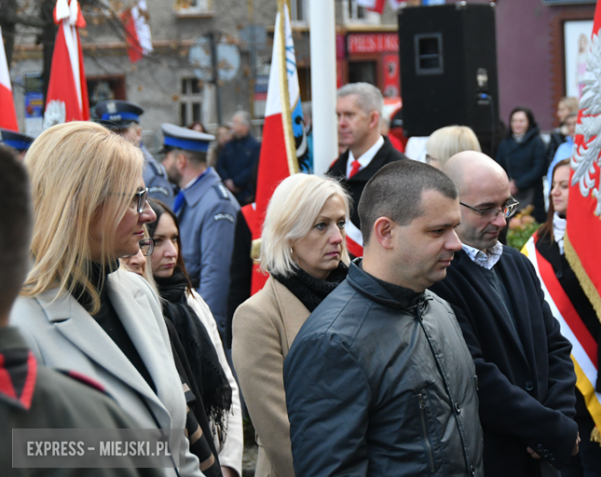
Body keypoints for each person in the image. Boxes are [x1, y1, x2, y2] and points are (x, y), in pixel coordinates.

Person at [10, 121, 205, 477]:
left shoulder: (139, 292)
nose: (148, 214)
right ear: (80, 206)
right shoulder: (19, 328)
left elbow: (177, 452)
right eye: (135, 199)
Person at [284, 160, 484, 477]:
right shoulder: (331, 343)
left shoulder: (439, 308)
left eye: (454, 228)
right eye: (437, 230)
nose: (456, 244)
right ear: (386, 232)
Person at [431, 151, 578, 477]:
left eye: (505, 206)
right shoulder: (440, 275)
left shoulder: (516, 263)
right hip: (492, 457)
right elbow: (473, 371)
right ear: (451, 205)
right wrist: (546, 427)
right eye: (486, 210)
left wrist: (560, 417)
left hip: (541, 455)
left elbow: (554, 345)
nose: (501, 220)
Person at [233, 174, 351, 477]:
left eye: (341, 223)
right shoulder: (257, 316)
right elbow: (282, 436)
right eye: (321, 225)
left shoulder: (363, 294)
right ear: (288, 233)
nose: (337, 237)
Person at [144, 199, 243, 476]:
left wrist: (229, 464)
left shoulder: (192, 300)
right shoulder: (137, 308)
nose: (170, 251)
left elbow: (226, 382)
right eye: (158, 240)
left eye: (175, 239)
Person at [533, 159, 601, 477]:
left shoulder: (600, 241)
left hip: (599, 377)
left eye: (566, 185)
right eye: (554, 185)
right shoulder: (537, 244)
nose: (556, 192)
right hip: (561, 382)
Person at [162, 123, 240, 338]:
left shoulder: (217, 203)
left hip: (204, 321)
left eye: (167, 157)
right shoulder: (192, 196)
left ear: (180, 161)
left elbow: (216, 275)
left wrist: (203, 330)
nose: (163, 163)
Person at [327, 83, 406, 253]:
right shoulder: (335, 169)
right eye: (338, 115)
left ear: (373, 119)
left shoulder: (400, 171)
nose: (341, 123)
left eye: (349, 115)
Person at [93, 100, 176, 207]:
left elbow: (157, 220)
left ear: (138, 133)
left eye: (122, 131)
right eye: (110, 132)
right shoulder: (101, 167)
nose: (116, 137)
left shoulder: (152, 174)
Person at [495, 107, 548, 223]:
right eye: (514, 121)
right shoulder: (505, 144)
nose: (517, 124)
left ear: (529, 122)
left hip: (533, 194)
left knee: (531, 226)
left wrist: (518, 185)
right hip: (510, 194)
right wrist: (508, 185)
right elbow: (498, 167)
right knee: (510, 225)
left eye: (521, 121)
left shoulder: (537, 142)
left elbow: (539, 168)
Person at [217, 111, 261, 205]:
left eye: (235, 122)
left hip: (246, 195)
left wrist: (235, 183)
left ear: (245, 126)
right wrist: (228, 182)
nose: (232, 126)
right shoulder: (228, 145)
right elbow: (220, 165)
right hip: (228, 193)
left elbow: (252, 169)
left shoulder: (254, 146)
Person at [547, 112, 577, 186]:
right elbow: (552, 170)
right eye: (568, 124)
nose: (571, 127)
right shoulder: (563, 147)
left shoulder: (588, 146)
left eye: (575, 123)